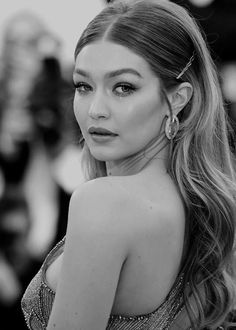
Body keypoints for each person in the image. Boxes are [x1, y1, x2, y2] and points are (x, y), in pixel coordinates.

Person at [21, 0, 236, 329]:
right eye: (84, 86)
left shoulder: (103, 203)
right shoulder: (199, 208)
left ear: (178, 99)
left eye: (123, 87)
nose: (95, 109)